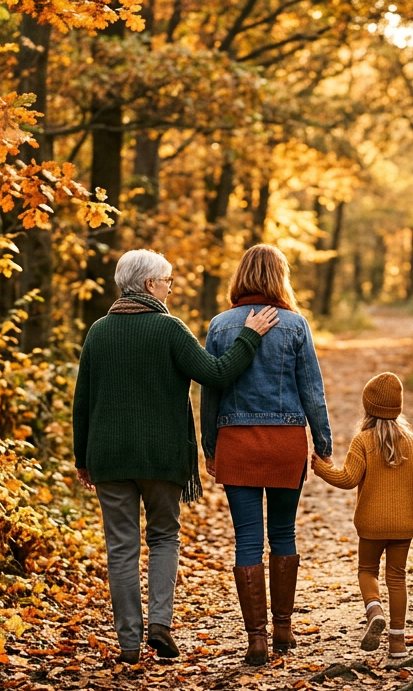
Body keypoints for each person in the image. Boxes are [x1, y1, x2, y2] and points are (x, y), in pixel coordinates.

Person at [74, 249, 280, 664]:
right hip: (161, 457)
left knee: (121, 547)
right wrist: (250, 335)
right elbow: (217, 373)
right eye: (168, 280)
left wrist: (83, 458)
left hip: (108, 458)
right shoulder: (169, 329)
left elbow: (83, 401)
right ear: (151, 285)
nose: (170, 286)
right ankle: (160, 625)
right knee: (164, 536)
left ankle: (129, 644)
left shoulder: (98, 331)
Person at [202, 244, 332, 666]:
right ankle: (283, 629)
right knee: (284, 533)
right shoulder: (294, 325)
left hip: (236, 442)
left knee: (247, 540)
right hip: (285, 443)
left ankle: (255, 638)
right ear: (281, 277)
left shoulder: (220, 326)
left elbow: (211, 389)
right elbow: (312, 390)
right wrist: (323, 442)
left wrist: (209, 446)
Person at [312, 373, 413, 658]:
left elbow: (347, 478)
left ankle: (374, 610)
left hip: (371, 523)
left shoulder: (363, 441)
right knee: (397, 577)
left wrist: (321, 468)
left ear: (367, 406)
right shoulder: (411, 442)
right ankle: (398, 643)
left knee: (367, 571)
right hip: (404, 525)